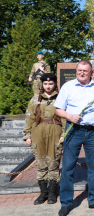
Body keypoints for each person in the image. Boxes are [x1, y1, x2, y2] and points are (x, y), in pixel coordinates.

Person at [54, 60, 94, 216]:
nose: (81, 73)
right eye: (79, 70)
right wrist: (69, 116)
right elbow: (58, 109)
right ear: (76, 71)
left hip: (93, 131)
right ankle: (66, 202)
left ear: (90, 71)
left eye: (85, 71)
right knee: (68, 167)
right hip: (74, 130)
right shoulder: (68, 87)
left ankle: (93, 200)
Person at [23, 73, 65, 205]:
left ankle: (52, 193)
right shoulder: (35, 99)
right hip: (38, 132)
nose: (48, 86)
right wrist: (27, 134)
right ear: (42, 84)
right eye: (46, 84)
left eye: (51, 83)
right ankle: (43, 193)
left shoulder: (60, 98)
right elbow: (29, 116)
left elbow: (64, 117)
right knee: (41, 164)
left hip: (55, 132)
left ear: (55, 84)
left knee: (53, 163)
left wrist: (65, 134)